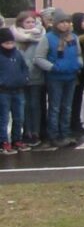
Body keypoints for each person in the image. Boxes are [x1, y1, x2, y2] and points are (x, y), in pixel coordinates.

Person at [35, 9, 83, 148]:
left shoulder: (73, 37)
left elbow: (78, 54)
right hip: (55, 77)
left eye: (67, 22)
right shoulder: (48, 38)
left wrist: (78, 64)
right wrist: (53, 67)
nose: (64, 25)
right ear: (55, 23)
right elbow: (39, 58)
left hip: (71, 76)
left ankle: (65, 133)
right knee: (55, 107)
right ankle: (53, 135)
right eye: (61, 22)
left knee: (67, 107)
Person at [13, 12, 46, 147]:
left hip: (36, 77)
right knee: (24, 106)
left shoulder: (41, 37)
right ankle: (26, 132)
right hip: (20, 79)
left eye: (33, 22)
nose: (31, 24)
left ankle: (36, 132)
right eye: (28, 22)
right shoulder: (15, 38)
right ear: (21, 23)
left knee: (35, 105)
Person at [0, 26, 30, 154]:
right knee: (4, 118)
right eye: (7, 43)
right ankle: (3, 142)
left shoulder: (17, 54)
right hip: (3, 91)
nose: (10, 45)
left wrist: (24, 79)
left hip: (18, 90)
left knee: (19, 117)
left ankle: (17, 139)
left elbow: (24, 68)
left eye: (12, 42)